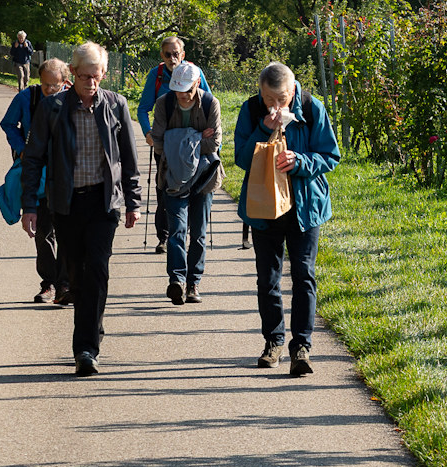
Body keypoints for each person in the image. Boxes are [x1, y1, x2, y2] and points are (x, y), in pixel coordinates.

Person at [21, 42, 141, 377]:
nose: (91, 82)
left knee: (98, 271)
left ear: (103, 74)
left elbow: (129, 158)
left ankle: (85, 349)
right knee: (76, 276)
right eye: (85, 76)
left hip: (104, 204)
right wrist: (29, 205)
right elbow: (33, 159)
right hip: (66, 204)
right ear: (72, 73)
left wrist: (133, 201)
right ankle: (92, 326)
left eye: (97, 76)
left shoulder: (116, 105)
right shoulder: (53, 108)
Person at [234, 62, 339, 377]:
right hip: (264, 210)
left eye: (282, 100)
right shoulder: (252, 110)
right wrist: (264, 128)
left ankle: (302, 346)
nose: (276, 107)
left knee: (304, 276)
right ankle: (273, 342)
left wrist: (301, 161)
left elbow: (331, 156)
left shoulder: (311, 107)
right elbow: (240, 157)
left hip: (305, 209)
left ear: (293, 91)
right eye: (270, 100)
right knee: (268, 279)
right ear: (261, 93)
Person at [149, 61, 223, 306]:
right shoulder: (164, 103)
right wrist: (195, 137)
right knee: (177, 231)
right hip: (172, 176)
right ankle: (177, 281)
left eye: (187, 91)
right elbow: (157, 143)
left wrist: (177, 140)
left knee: (199, 234)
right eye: (178, 91)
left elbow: (214, 145)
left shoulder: (211, 103)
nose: (182, 96)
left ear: (197, 83)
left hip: (203, 177)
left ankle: (194, 283)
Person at [0, 57, 70, 304]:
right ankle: (49, 284)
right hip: (36, 172)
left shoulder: (73, 99)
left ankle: (65, 284)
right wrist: (21, 148)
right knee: (43, 230)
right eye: (46, 84)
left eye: (55, 85)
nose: (50, 89)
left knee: (66, 231)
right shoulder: (26, 97)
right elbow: (8, 123)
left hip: (65, 174)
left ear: (65, 81)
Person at [136, 37, 215, 253]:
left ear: (183, 54)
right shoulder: (157, 75)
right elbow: (143, 108)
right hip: (166, 145)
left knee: (194, 188)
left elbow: (208, 101)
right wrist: (148, 132)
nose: (173, 58)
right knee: (164, 190)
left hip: (193, 147)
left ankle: (183, 232)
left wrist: (208, 131)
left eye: (176, 53)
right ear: (162, 56)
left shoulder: (195, 73)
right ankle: (164, 237)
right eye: (168, 54)